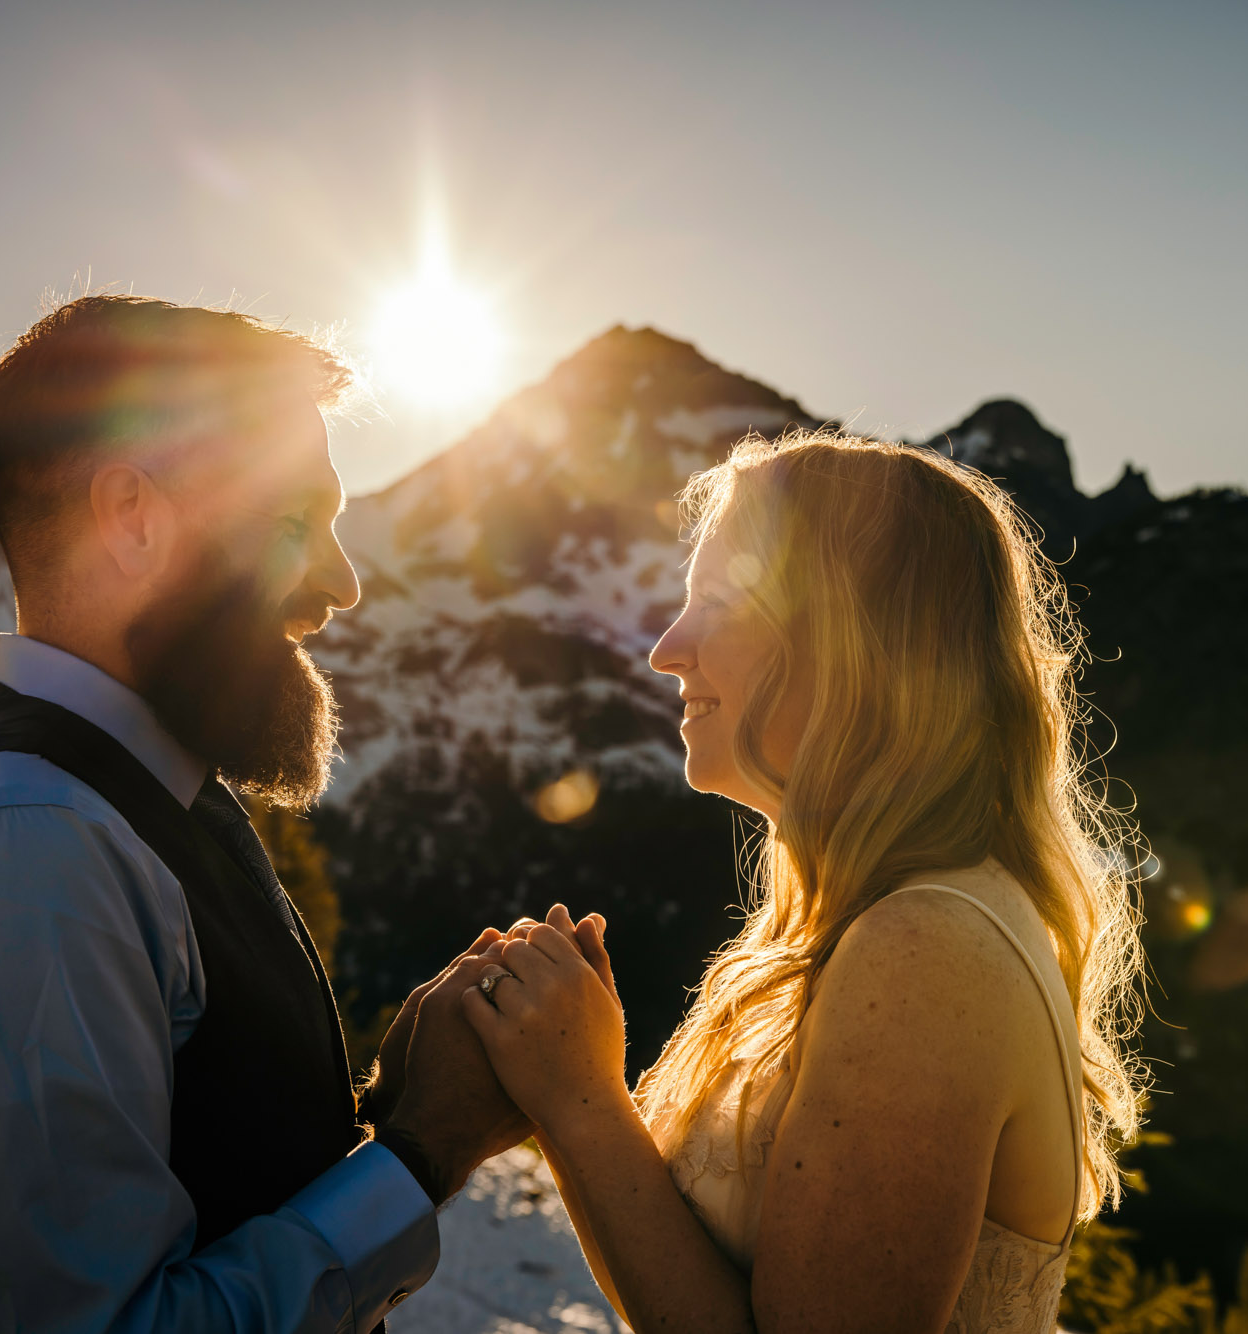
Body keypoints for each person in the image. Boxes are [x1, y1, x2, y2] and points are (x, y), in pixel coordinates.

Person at [0, 295, 527, 1333]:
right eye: (292, 522)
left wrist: (378, 1110)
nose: (342, 583)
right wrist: (420, 1155)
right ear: (132, 515)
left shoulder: (129, 798)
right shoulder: (26, 843)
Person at [442, 431, 1150, 1332]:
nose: (666, 648)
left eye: (718, 601)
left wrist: (580, 1103)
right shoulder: (875, 920)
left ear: (858, 637)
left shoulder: (926, 950)